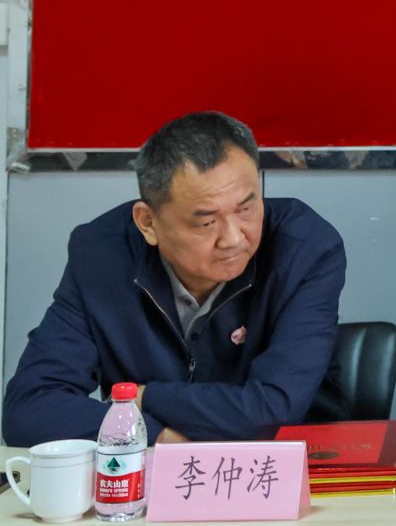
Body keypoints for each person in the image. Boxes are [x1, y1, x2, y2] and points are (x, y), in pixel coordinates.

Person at [3, 112, 346, 445]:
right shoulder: (101, 256)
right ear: (148, 223)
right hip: (155, 475)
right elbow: (29, 409)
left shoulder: (303, 248)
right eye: (207, 222)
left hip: (293, 468)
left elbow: (272, 411)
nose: (233, 238)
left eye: (246, 208)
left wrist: (144, 397)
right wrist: (156, 436)